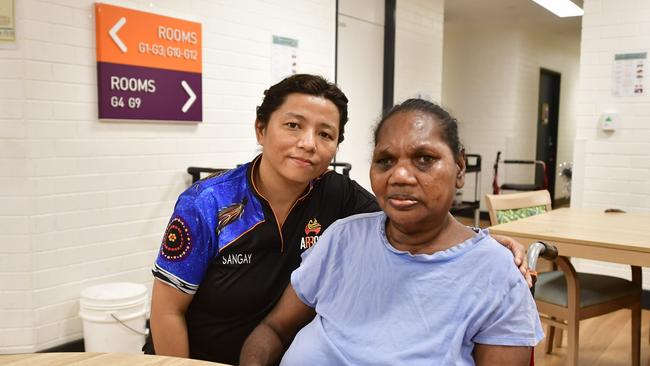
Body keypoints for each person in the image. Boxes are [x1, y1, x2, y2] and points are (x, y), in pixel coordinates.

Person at [147, 75, 530, 364]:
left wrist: (484, 243)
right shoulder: (208, 203)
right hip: (195, 356)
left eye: (325, 134)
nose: (309, 143)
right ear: (261, 129)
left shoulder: (338, 197)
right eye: (293, 125)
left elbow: (416, 216)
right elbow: (167, 311)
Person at [239, 99, 543, 366]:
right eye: (385, 161)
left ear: (460, 168)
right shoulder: (342, 238)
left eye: (424, 158)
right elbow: (274, 329)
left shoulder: (497, 274)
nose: (399, 175)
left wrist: (482, 247)